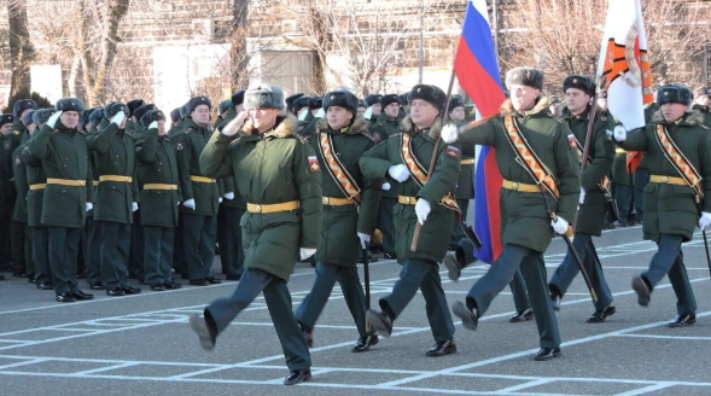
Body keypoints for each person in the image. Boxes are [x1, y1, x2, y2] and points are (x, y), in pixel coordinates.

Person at [443, 67, 579, 361]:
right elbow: (475, 132)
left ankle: (475, 303)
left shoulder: (555, 128)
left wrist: (566, 216)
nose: (517, 93)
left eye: (523, 89)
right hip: (510, 204)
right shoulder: (502, 123)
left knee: (511, 254)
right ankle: (550, 340)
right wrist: (456, 132)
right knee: (533, 276)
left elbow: (570, 177)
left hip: (541, 207)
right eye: (513, 88)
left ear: (536, 92)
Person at [189, 84, 321, 385]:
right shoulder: (241, 144)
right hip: (253, 225)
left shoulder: (295, 145)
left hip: (285, 224)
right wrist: (229, 128)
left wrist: (311, 240)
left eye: (263, 108)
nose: (257, 113)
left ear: (277, 110)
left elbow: (312, 196)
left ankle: (214, 321)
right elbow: (207, 166)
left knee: (252, 276)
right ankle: (300, 364)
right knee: (277, 300)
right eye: (251, 108)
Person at [360, 84, 460, 357]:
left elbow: (446, 175)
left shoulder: (446, 141)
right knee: (428, 280)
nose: (414, 108)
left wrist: (426, 197)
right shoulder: (397, 142)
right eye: (412, 104)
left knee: (415, 265)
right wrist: (389, 169)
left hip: (435, 213)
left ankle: (388, 313)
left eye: (422, 104)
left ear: (437, 111)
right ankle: (445, 337)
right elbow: (366, 161)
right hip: (404, 216)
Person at [294, 88, 380, 352]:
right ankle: (367, 329)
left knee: (326, 267)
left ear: (350, 114)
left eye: (338, 110)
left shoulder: (364, 143)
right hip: (321, 214)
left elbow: (372, 189)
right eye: (328, 110)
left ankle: (302, 323)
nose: (332, 114)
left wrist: (366, 227)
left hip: (347, 215)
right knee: (346, 275)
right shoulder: (316, 139)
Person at [615, 84, 708, 328]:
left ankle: (647, 281)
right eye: (663, 104)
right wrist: (621, 135)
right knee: (673, 256)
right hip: (656, 198)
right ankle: (687, 309)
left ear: (685, 105)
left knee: (669, 244)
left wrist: (708, 209)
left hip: (684, 197)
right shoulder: (653, 130)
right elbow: (633, 141)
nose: (666, 108)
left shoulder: (700, 134)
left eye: (672, 104)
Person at [548, 75, 616, 322]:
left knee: (577, 242)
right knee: (584, 249)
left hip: (592, 193)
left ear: (589, 98)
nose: (570, 98)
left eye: (576, 94)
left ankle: (555, 288)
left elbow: (604, 160)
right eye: (568, 93)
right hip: (565, 193)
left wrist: (582, 184)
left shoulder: (600, 124)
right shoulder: (559, 122)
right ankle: (604, 301)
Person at [28, 98, 95, 303]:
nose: (73, 118)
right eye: (68, 115)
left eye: (75, 115)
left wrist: (89, 197)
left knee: (72, 247)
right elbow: (34, 152)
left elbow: (88, 170)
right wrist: (47, 128)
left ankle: (72, 285)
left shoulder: (81, 139)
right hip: (58, 197)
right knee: (58, 247)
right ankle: (61, 287)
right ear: (59, 116)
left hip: (77, 197)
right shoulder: (51, 136)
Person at [89, 102, 141, 297]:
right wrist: (111, 126)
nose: (122, 121)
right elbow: (99, 146)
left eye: (125, 117)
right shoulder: (99, 136)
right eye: (118, 117)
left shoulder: (128, 139)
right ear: (108, 118)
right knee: (109, 243)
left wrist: (134, 196)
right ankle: (111, 281)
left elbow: (132, 172)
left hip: (125, 193)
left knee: (122, 242)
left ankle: (122, 279)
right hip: (108, 194)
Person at [173, 97, 222, 286]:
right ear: (191, 113)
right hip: (195, 190)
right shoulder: (186, 135)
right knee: (193, 237)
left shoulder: (209, 134)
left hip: (210, 190)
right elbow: (183, 168)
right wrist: (187, 195)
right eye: (200, 110)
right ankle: (195, 272)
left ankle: (205, 270)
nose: (204, 114)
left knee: (209, 236)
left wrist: (218, 191)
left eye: (206, 110)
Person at [135, 109, 183, 291]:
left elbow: (175, 172)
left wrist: (178, 196)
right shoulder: (143, 143)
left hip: (169, 199)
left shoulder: (168, 144)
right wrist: (151, 134)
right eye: (157, 124)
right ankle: (154, 277)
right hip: (153, 199)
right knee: (153, 243)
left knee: (167, 242)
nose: (161, 127)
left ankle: (164, 275)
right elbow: (147, 156)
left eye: (163, 123)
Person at [23, 109, 55, 290]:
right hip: (39, 195)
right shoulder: (31, 144)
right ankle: (42, 275)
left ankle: (54, 273)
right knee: (41, 239)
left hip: (56, 195)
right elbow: (33, 157)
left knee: (56, 238)